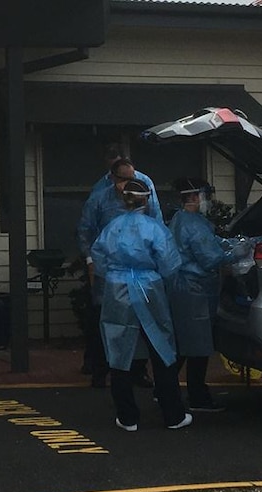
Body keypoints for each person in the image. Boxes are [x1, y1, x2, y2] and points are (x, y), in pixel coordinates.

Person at [90, 177, 192, 431]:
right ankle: (173, 414)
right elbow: (169, 264)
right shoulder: (155, 228)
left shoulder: (112, 227)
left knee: (118, 349)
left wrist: (116, 273)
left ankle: (127, 417)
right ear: (147, 199)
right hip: (148, 287)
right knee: (162, 347)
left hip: (117, 288)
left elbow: (98, 258)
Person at [77, 147, 161, 388]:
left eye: (132, 179)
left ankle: (136, 370)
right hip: (109, 271)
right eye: (124, 180)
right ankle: (100, 370)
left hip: (139, 271)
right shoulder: (100, 199)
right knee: (104, 319)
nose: (128, 185)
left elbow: (156, 223)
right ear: (112, 178)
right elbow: (86, 231)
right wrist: (91, 262)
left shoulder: (144, 191)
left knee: (138, 321)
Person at [168, 177, 248, 411]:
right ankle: (197, 396)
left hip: (187, 289)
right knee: (198, 346)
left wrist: (231, 244)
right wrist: (238, 252)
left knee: (184, 344)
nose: (208, 201)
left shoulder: (185, 220)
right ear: (193, 197)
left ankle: (165, 389)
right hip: (195, 291)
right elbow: (210, 256)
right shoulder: (191, 224)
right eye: (205, 196)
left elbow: (213, 242)